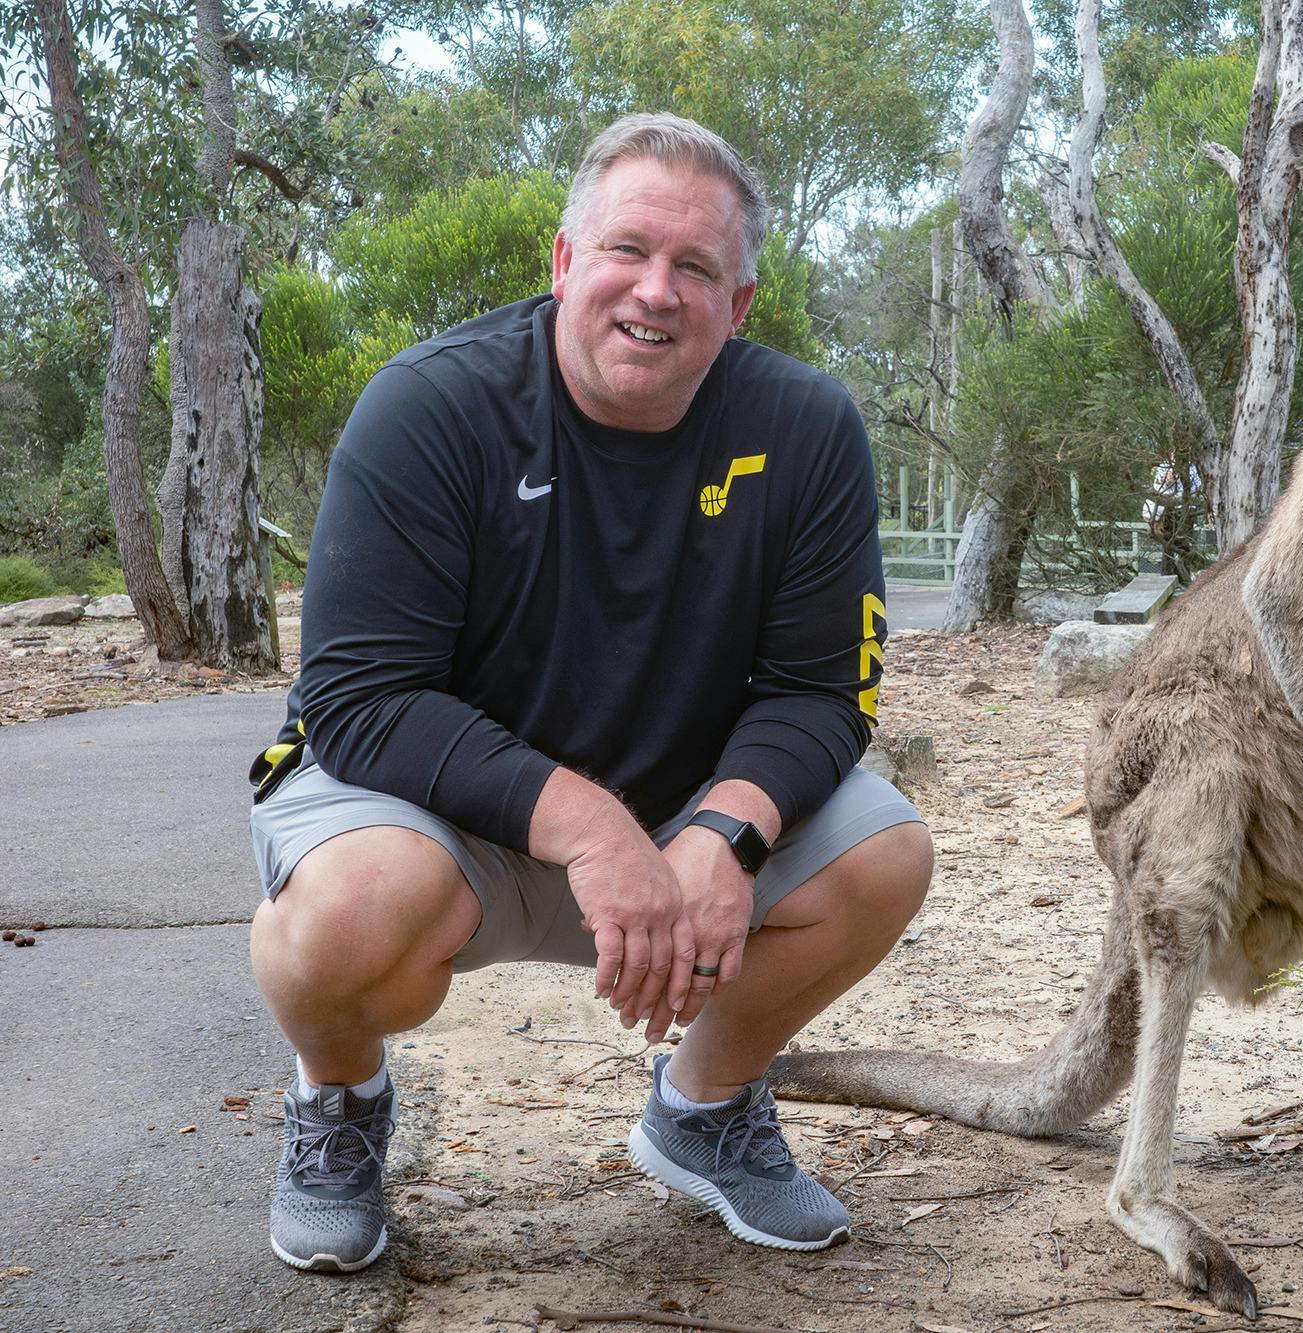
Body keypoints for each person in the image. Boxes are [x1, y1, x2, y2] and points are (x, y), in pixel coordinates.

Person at [245, 112, 932, 1274]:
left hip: (673, 824)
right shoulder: (431, 406)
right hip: (431, 816)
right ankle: (341, 1104)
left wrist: (727, 831)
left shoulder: (804, 430)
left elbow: (821, 692)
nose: (655, 291)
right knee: (344, 918)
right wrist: (589, 826)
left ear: (740, 303)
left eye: (696, 267)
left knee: (884, 854)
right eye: (626, 251)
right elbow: (360, 698)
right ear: (564, 263)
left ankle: (703, 1111)